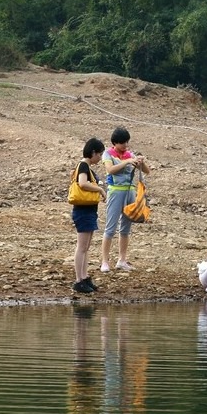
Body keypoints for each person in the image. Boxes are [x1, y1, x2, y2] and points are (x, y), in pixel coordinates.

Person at [100, 126, 150, 272]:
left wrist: (141, 162)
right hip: (115, 192)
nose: (125, 146)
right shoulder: (108, 154)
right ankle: (105, 261)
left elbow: (147, 171)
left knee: (126, 228)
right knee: (110, 227)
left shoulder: (129, 154)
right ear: (115, 142)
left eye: (127, 143)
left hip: (130, 192)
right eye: (123, 143)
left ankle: (122, 260)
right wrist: (127, 162)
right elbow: (110, 170)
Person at [72, 137, 107, 293]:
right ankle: (79, 280)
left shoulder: (86, 166)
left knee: (85, 247)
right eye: (99, 155)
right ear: (93, 152)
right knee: (82, 247)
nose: (99, 158)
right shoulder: (84, 165)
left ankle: (84, 277)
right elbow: (82, 183)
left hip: (89, 211)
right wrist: (99, 189)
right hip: (83, 210)